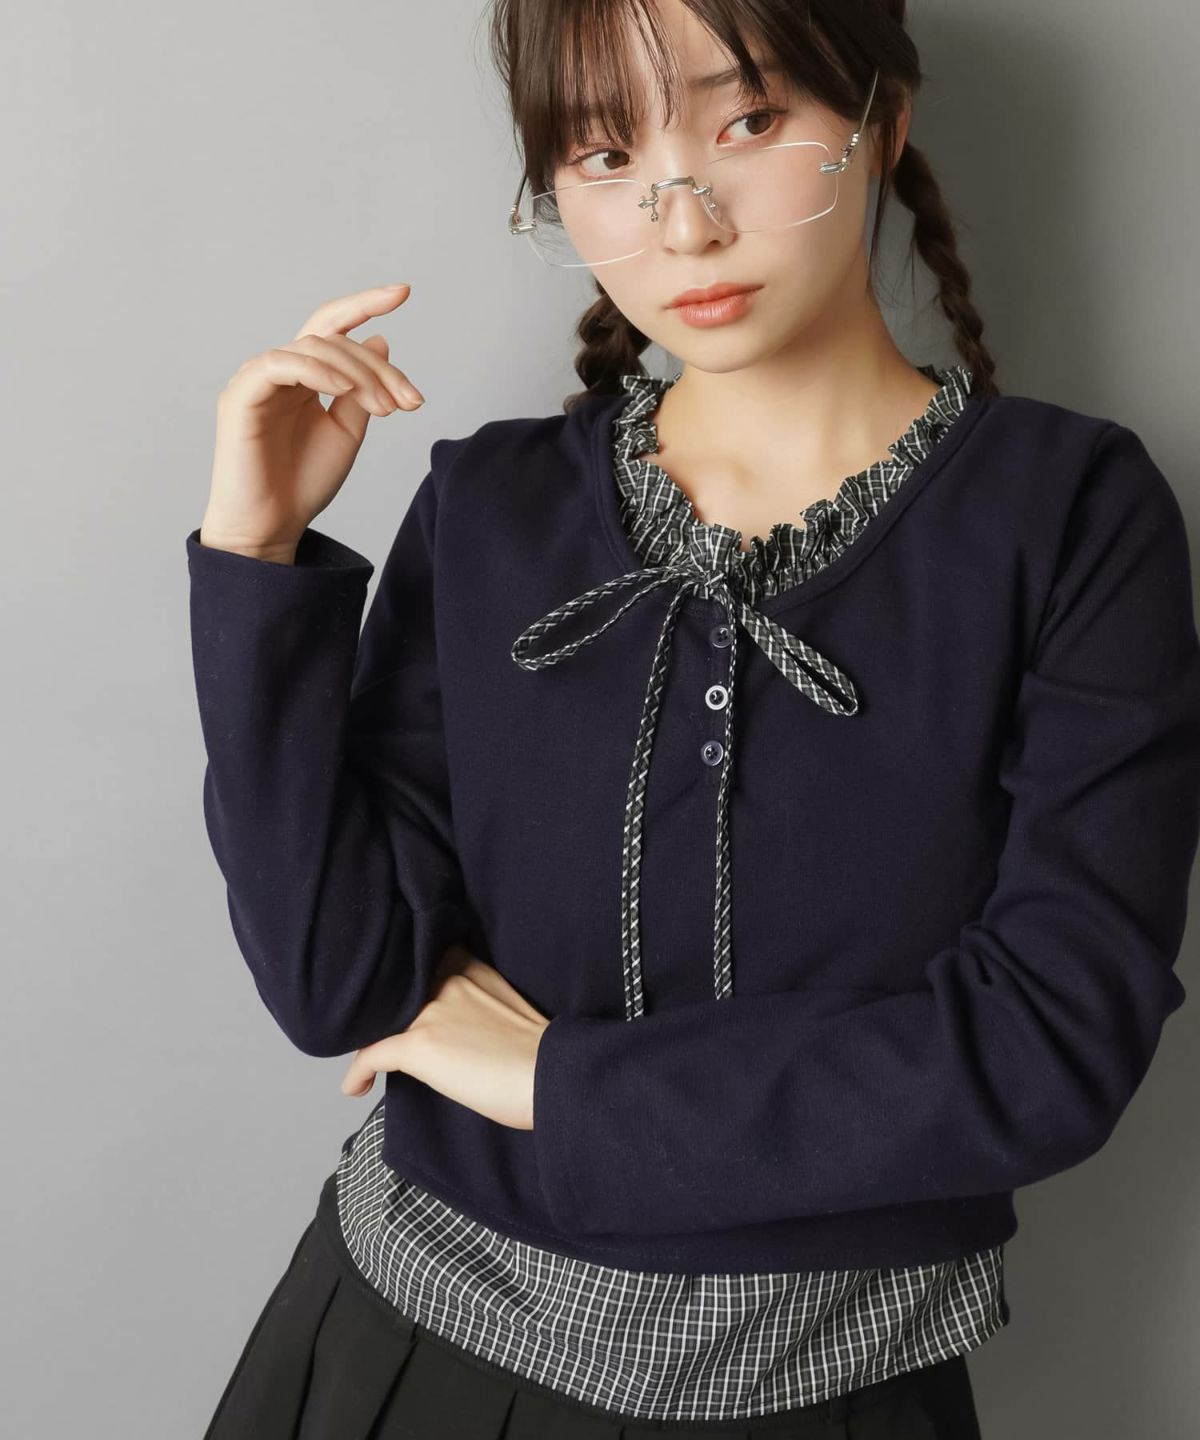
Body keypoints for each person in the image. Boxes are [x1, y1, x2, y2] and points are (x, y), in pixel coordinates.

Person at [189, 2, 1200, 1437]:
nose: (684, 222)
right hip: (401, 1352)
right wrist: (257, 564)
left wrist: (557, 1086)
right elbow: (340, 982)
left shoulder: (1072, 514)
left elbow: (1049, 1046)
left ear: (883, 121)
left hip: (832, 1388)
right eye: (604, 155)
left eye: (750, 122)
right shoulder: (490, 505)